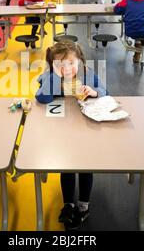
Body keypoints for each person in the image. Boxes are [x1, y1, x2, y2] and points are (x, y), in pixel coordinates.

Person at [35, 40, 107, 230]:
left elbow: (105, 92)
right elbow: (42, 98)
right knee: (66, 168)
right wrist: (55, 77)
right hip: (61, 132)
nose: (66, 68)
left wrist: (94, 92)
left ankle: (84, 206)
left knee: (85, 167)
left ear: (80, 62)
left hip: (85, 128)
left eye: (71, 63)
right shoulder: (49, 77)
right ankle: (68, 204)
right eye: (60, 64)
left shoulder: (87, 76)